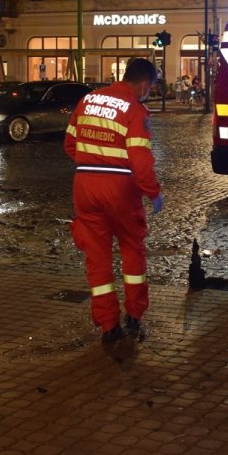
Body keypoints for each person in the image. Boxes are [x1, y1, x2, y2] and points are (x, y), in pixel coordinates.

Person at [65, 57, 165, 342]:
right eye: (152, 88)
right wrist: (153, 192)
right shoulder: (135, 109)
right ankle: (134, 315)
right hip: (120, 189)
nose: (150, 93)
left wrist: (93, 163)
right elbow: (140, 160)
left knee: (97, 257)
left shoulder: (88, 100)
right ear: (144, 84)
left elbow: (70, 143)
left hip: (84, 185)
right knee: (132, 249)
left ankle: (109, 326)